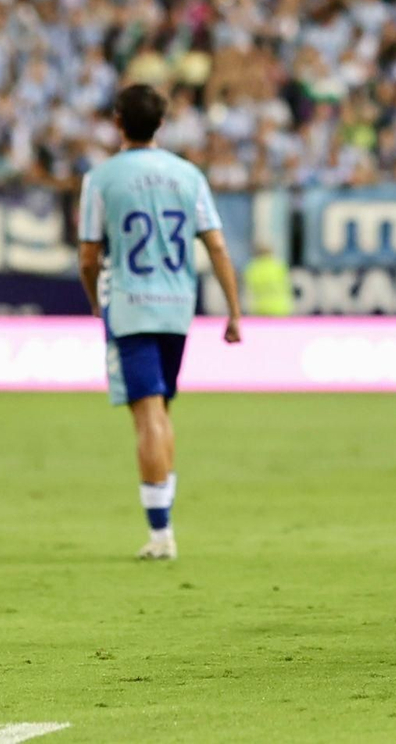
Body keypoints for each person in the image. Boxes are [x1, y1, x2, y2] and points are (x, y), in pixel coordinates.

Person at [77, 84, 245, 561]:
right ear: (162, 125)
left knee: (147, 414)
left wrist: (93, 300)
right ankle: (164, 523)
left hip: (130, 304)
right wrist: (233, 311)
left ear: (117, 122)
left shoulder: (101, 179)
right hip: (177, 306)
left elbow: (89, 256)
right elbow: (215, 245)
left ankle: (160, 533)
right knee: (163, 409)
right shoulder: (188, 175)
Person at [243, 241, 295, 316]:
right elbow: (288, 286)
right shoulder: (279, 266)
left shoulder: (251, 268)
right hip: (280, 308)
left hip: (259, 308)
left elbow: (248, 290)